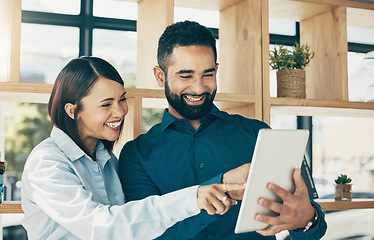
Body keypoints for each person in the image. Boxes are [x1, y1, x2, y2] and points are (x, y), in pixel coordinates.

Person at [119, 21, 328, 239]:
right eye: (186, 76)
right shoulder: (137, 155)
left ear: (217, 70)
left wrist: (307, 220)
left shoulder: (258, 134)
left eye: (207, 74)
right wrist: (221, 186)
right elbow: (145, 233)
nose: (199, 88)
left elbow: (314, 225)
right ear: (160, 76)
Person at [20, 56, 245, 240]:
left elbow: (134, 224)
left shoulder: (107, 160)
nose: (120, 112)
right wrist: (191, 198)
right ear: (72, 111)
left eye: (122, 99)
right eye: (106, 104)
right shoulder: (47, 163)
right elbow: (102, 227)